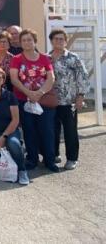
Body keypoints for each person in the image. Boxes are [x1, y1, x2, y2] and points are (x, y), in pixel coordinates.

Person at [9, 28, 58, 172]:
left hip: (43, 101)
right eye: (24, 40)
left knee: (47, 130)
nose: (27, 42)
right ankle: (32, 159)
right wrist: (29, 93)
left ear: (35, 41)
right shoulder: (16, 59)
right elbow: (14, 78)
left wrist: (40, 92)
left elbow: (51, 78)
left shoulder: (44, 58)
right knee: (29, 130)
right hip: (24, 100)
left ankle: (50, 160)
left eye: (29, 39)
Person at [49, 28, 90, 170]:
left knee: (70, 131)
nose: (59, 41)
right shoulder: (46, 58)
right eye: (56, 39)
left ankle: (72, 158)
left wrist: (80, 97)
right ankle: (54, 155)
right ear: (51, 41)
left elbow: (83, 78)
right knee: (52, 129)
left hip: (69, 102)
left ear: (66, 41)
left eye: (61, 39)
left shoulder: (73, 58)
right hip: (51, 101)